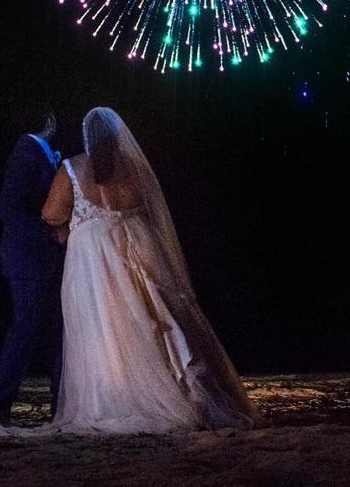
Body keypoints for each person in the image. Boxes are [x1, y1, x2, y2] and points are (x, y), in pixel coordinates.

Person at [41, 106, 262, 433]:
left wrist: (65, 227)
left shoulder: (73, 168)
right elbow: (150, 212)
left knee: (104, 327)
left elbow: (51, 213)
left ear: (87, 135)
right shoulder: (136, 171)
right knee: (153, 318)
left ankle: (113, 397)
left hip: (93, 258)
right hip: (139, 249)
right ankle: (178, 389)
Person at [0, 103, 65, 424]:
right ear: (50, 120)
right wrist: (47, 235)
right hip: (28, 261)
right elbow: (7, 207)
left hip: (38, 260)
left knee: (54, 333)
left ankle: (60, 404)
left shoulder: (38, 153)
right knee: (26, 331)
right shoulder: (27, 153)